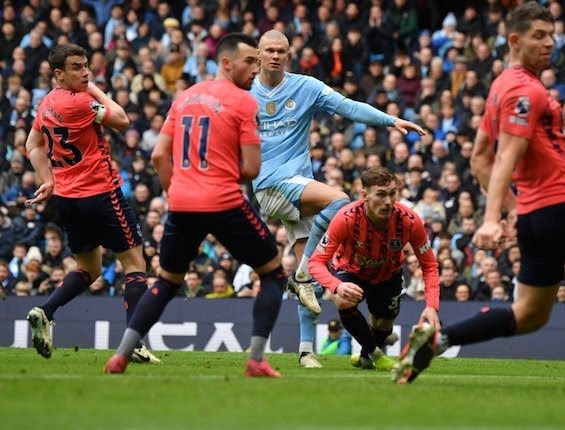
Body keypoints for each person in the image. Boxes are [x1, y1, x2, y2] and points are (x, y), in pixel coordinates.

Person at [393, 2, 565, 389]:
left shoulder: (498, 88)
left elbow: (480, 158)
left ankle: (439, 340)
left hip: (535, 217)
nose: (549, 43)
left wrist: (513, 209)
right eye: (538, 36)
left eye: (551, 35)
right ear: (514, 40)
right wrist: (492, 217)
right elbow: (505, 155)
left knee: (529, 314)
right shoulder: (526, 90)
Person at [104, 33, 287, 378]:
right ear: (227, 63)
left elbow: (159, 155)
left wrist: (176, 190)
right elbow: (251, 168)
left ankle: (121, 356)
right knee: (274, 273)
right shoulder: (245, 102)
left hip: (183, 201)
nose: (256, 68)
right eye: (250, 61)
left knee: (166, 282)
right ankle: (257, 360)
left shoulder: (184, 97)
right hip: (223, 199)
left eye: (258, 62)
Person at [251, 30, 425, 368]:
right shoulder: (244, 93)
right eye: (269, 50)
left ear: (289, 54)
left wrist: (391, 120)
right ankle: (301, 274)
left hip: (301, 188)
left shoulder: (306, 87)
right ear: (258, 55)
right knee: (340, 200)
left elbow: (348, 107)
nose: (275, 56)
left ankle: (304, 351)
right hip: (271, 186)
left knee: (314, 282)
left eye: (281, 51)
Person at [24, 43, 159, 364]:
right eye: (76, 68)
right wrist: (95, 88)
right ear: (58, 73)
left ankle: (45, 310)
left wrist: (49, 180)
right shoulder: (82, 103)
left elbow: (33, 144)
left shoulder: (46, 104)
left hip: (68, 200)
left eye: (86, 66)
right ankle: (134, 344)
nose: (85, 72)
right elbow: (123, 120)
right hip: (101, 194)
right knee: (135, 266)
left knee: (90, 268)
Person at [309, 167, 440, 371]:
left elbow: (429, 265)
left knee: (383, 325)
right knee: (343, 300)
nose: (388, 201)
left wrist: (431, 305)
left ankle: (365, 356)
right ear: (364, 195)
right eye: (381, 194)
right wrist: (336, 286)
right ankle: (376, 355)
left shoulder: (410, 221)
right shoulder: (345, 218)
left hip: (389, 274)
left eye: (392, 194)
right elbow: (315, 262)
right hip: (351, 270)